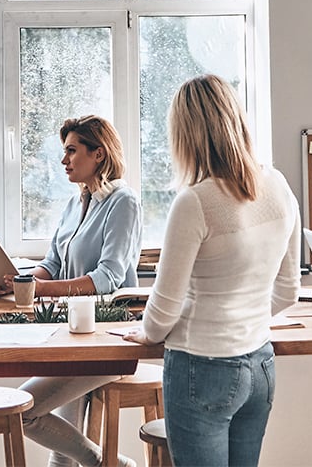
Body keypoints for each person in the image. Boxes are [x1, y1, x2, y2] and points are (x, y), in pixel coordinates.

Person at [125, 75, 300, 467]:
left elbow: (164, 309)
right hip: (260, 366)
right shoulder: (279, 185)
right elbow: (288, 292)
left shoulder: (194, 202)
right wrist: (243, 319)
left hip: (202, 368)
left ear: (186, 135)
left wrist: (146, 332)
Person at [0, 115, 142, 467]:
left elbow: (107, 277)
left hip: (107, 339)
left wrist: (38, 289)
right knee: (58, 445)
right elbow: (52, 265)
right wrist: (17, 283)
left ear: (98, 154)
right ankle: (108, 464)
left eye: (72, 151)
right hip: (70, 337)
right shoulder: (75, 204)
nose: (64, 160)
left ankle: (110, 464)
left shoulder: (123, 202)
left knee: (23, 409)